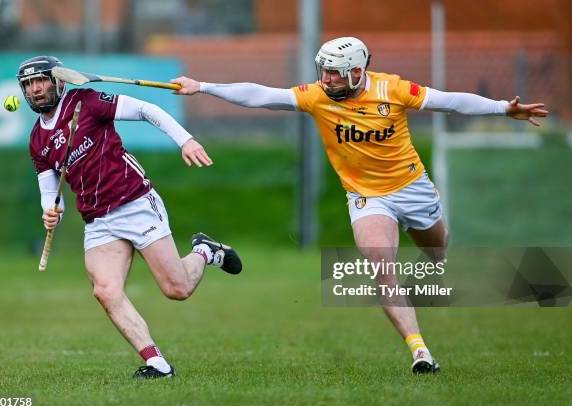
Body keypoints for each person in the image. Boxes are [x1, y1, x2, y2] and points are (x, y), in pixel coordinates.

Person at [170, 37, 548, 374]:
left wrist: (503, 108)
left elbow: (449, 102)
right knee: (382, 269)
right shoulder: (316, 96)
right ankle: (420, 352)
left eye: (333, 73)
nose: (325, 79)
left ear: (355, 71)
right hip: (367, 198)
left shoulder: (393, 88)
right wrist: (203, 87)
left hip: (413, 189)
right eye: (323, 71)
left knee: (437, 252)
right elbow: (262, 95)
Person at [18, 56, 242, 379]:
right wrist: (50, 212)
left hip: (134, 202)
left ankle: (206, 251)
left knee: (176, 288)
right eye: (28, 85)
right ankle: (157, 363)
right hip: (98, 220)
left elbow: (147, 110)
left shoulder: (88, 102)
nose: (35, 90)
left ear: (59, 81)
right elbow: (48, 191)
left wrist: (185, 140)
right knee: (105, 290)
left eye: (40, 81)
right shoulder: (37, 141)